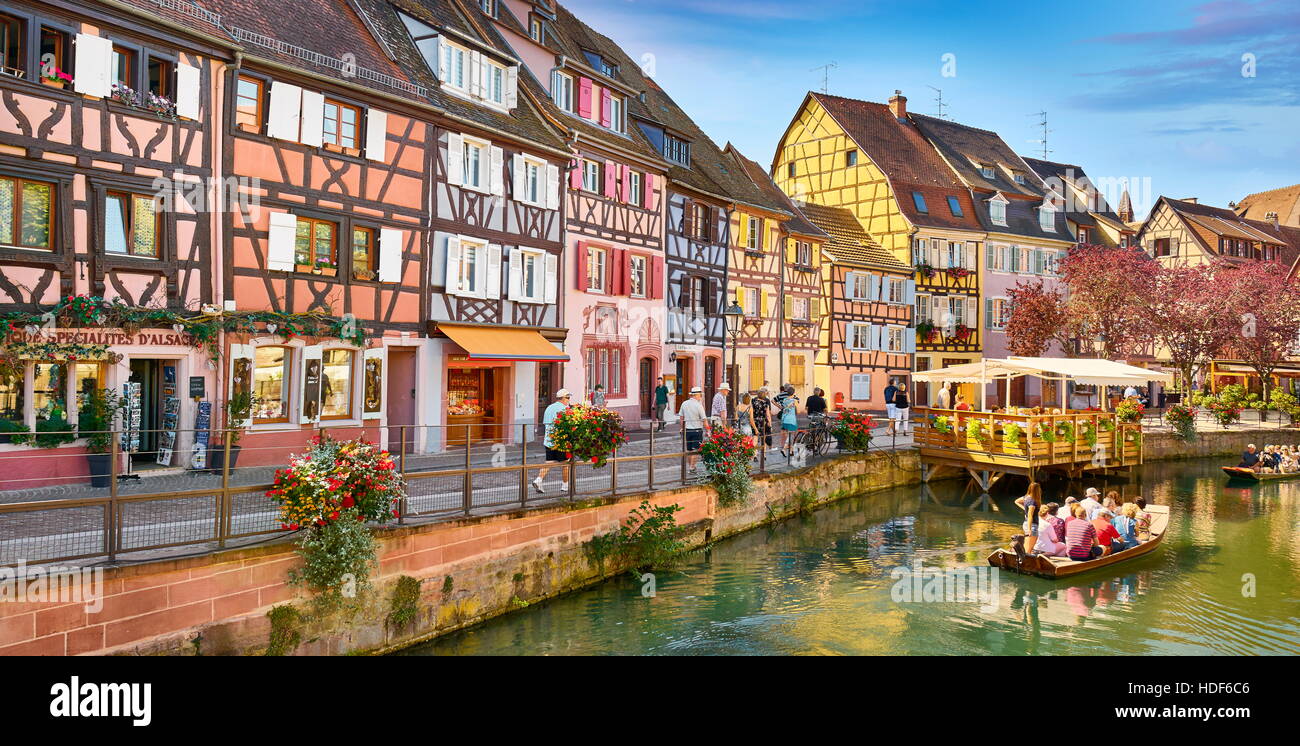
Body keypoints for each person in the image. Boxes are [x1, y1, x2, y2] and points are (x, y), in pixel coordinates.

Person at [532, 389, 572, 494]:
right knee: (565, 464)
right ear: (563, 398)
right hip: (561, 441)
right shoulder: (565, 408)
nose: (568, 400)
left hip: (549, 440)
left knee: (549, 462)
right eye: (568, 398)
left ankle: (538, 480)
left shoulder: (549, 408)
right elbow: (570, 425)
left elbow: (546, 424)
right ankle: (565, 486)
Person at [679, 386, 709, 473]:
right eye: (700, 395)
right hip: (697, 430)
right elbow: (704, 419)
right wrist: (708, 430)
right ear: (696, 395)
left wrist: (682, 427)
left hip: (687, 430)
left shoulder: (684, 403)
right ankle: (692, 467)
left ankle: (691, 466)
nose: (701, 397)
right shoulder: (699, 405)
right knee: (695, 449)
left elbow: (681, 418)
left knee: (689, 449)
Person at [1014, 482, 1043, 555]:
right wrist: (1030, 530)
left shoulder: (1026, 497)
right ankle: (1024, 564)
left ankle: (1023, 562)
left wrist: (1025, 509)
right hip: (1032, 525)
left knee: (1028, 549)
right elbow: (1030, 516)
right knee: (1028, 550)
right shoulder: (1032, 502)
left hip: (1026, 523)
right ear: (1037, 490)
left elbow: (1016, 501)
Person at [778, 385, 800, 456]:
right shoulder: (794, 401)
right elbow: (797, 408)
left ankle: (791, 451)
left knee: (790, 435)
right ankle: (784, 449)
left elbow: (783, 407)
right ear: (793, 393)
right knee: (791, 436)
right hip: (791, 420)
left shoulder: (784, 400)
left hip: (785, 419)